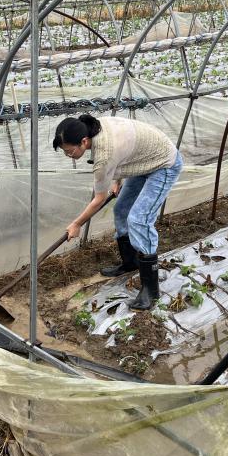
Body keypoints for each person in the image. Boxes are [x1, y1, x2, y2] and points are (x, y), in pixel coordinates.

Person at [53, 114, 183, 310]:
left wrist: (77, 224)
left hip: (164, 164)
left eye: (70, 152)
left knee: (139, 220)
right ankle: (130, 262)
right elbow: (125, 150)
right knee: (121, 209)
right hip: (143, 161)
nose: (68, 156)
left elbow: (98, 199)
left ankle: (151, 290)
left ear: (84, 141)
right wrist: (117, 179)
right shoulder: (94, 129)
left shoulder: (103, 155)